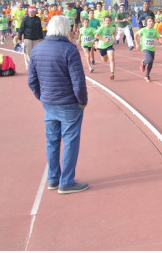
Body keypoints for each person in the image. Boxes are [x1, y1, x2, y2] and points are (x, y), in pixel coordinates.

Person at [28, 15, 89, 194]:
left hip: (49, 102)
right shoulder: (69, 50)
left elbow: (32, 80)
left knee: (52, 141)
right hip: (68, 103)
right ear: (65, 29)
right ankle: (67, 182)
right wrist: (82, 101)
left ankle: (53, 178)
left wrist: (42, 96)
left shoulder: (38, 49)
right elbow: (78, 81)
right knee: (70, 141)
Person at [135, 16, 162, 82]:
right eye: (149, 21)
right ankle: (143, 63)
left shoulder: (154, 30)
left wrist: (159, 40)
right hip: (145, 47)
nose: (151, 22)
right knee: (149, 59)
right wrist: (137, 44)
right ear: (146, 22)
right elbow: (135, 34)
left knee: (151, 62)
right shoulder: (143, 30)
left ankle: (147, 75)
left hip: (152, 48)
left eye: (152, 21)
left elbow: (157, 37)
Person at [94, 15, 116, 80]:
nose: (107, 22)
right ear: (104, 21)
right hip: (102, 46)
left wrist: (113, 38)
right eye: (106, 20)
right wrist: (104, 39)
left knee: (111, 58)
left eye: (109, 20)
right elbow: (96, 36)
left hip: (109, 45)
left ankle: (112, 73)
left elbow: (113, 33)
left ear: (111, 21)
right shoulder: (101, 28)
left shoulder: (112, 28)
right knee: (105, 60)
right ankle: (100, 52)